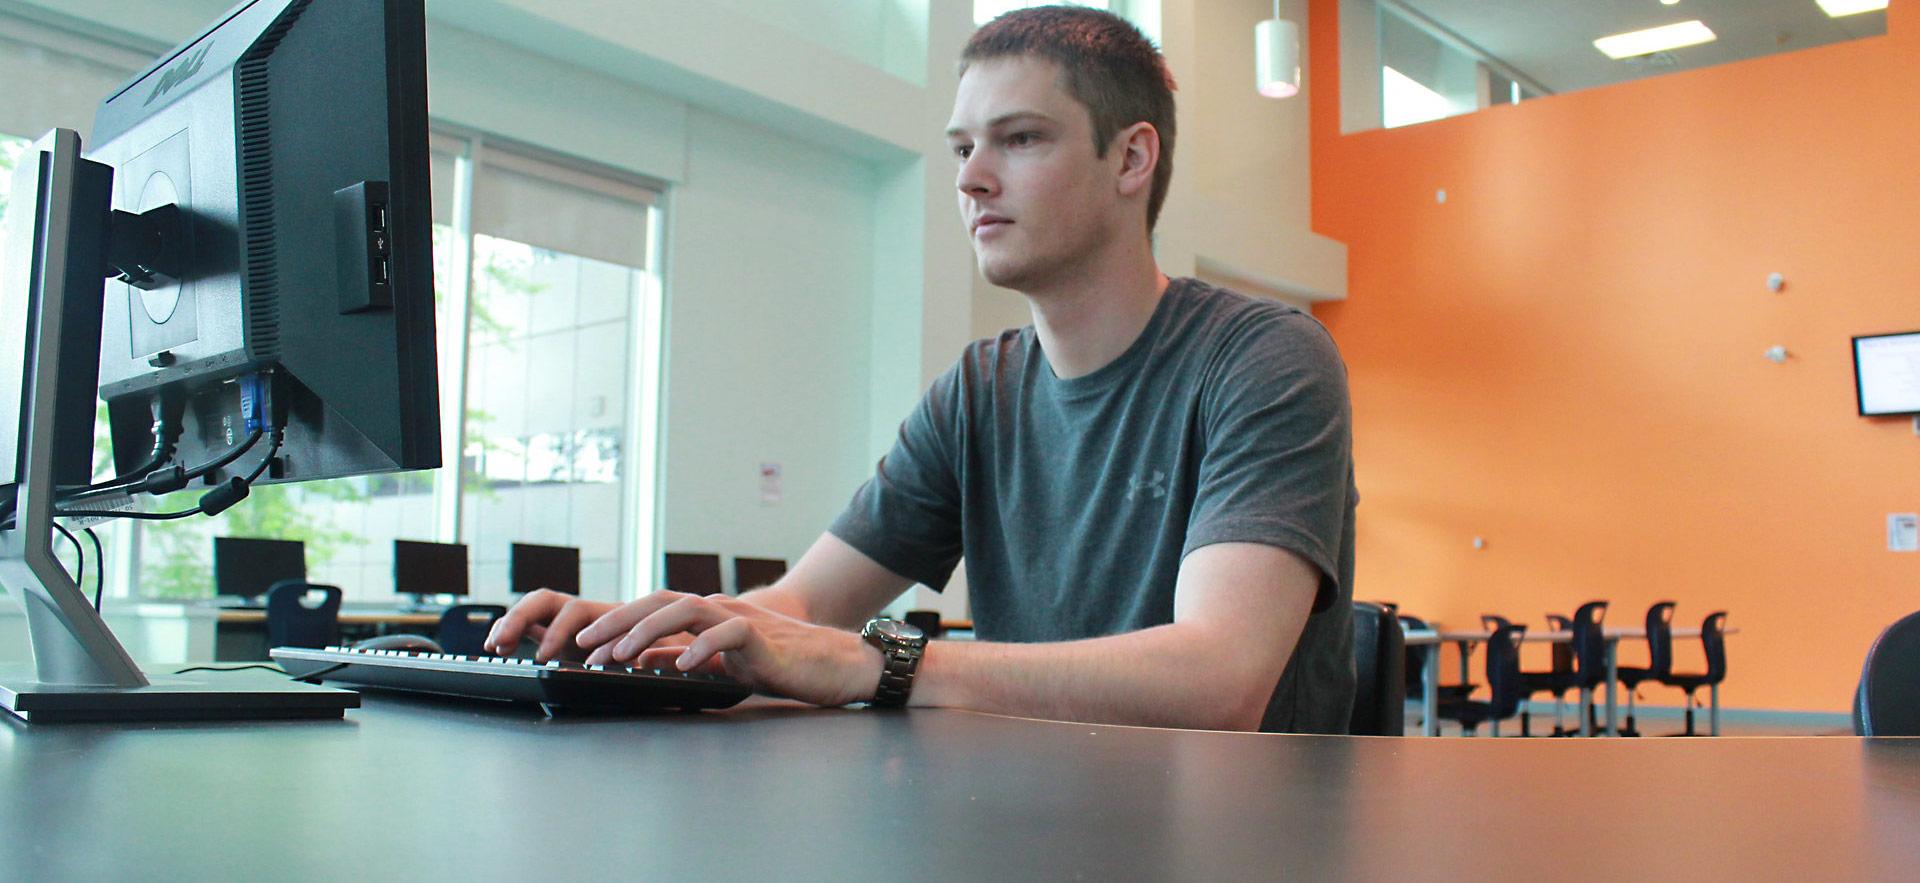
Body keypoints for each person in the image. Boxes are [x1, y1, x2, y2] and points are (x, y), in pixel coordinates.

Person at [486, 6, 1358, 733]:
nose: (972, 179)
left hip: (1233, 841)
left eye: (1019, 139)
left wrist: (880, 660)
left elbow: (1220, 677)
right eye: (960, 148)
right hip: (1036, 821)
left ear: (1131, 158)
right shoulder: (978, 391)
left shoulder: (1262, 358)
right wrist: (644, 641)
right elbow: (803, 606)